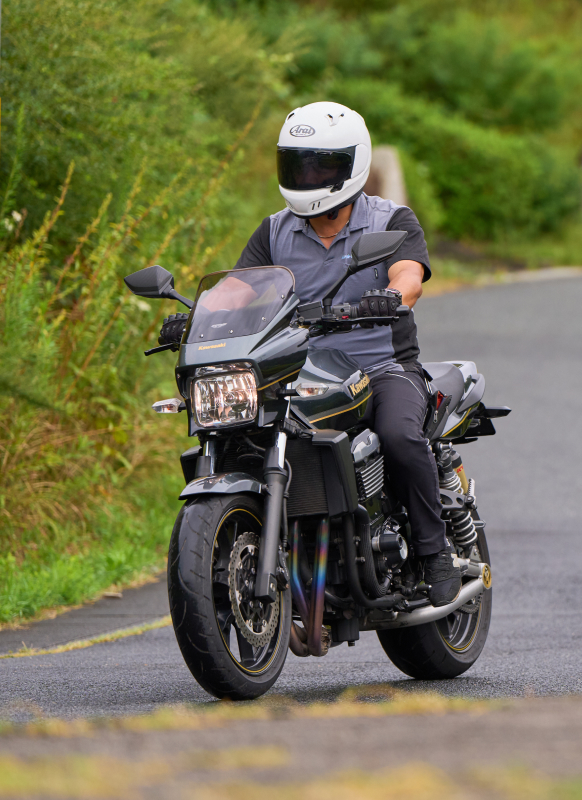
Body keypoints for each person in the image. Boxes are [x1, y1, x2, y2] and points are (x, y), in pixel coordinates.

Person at [160, 102, 462, 606]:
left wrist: (391, 296)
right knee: (244, 431)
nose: (310, 176)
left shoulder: (391, 219)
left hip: (381, 367)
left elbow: (408, 275)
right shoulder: (275, 230)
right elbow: (239, 289)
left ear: (351, 165)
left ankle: (434, 554)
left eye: (321, 165)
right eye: (299, 165)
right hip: (303, 370)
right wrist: (200, 316)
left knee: (398, 435)